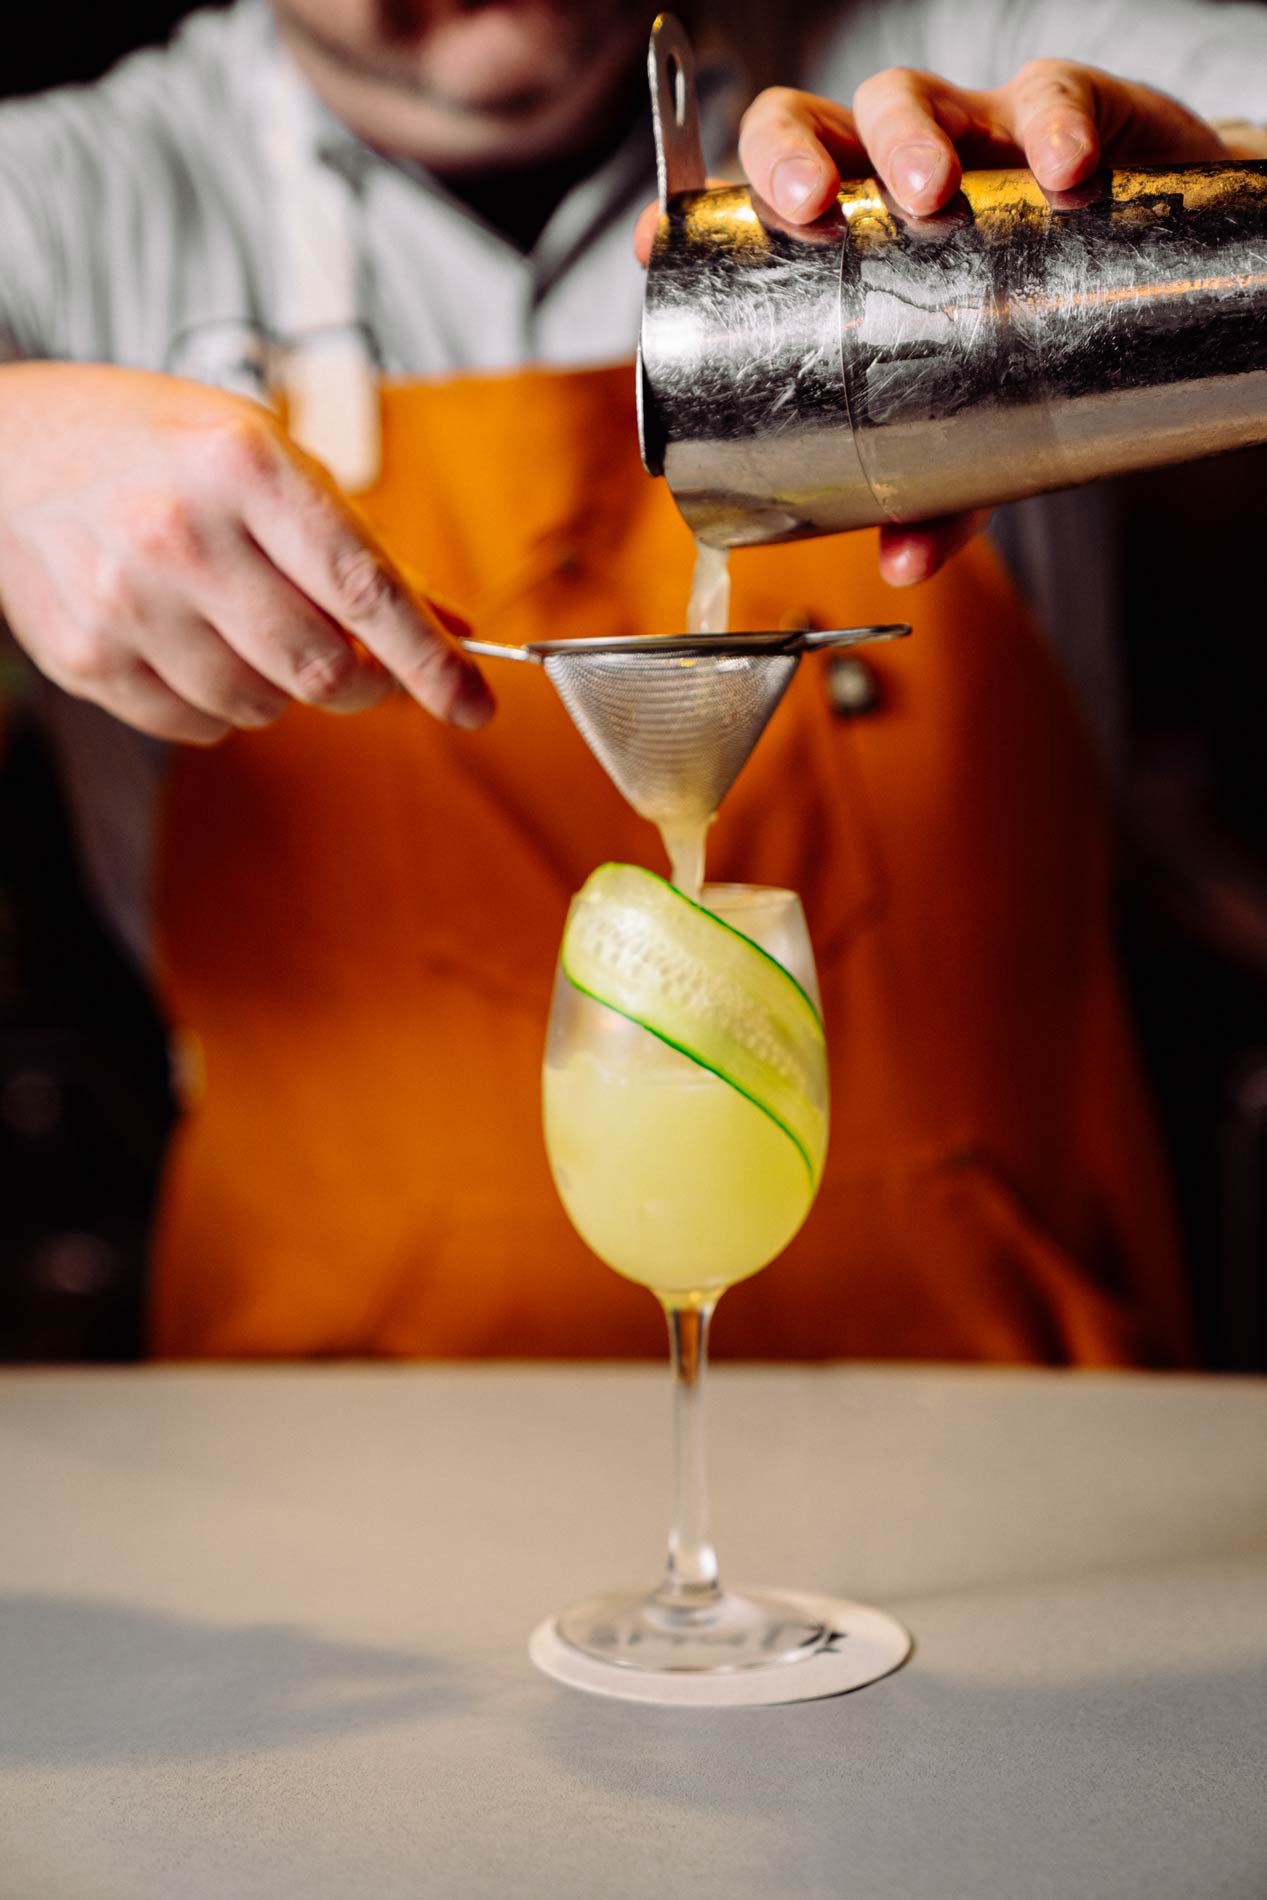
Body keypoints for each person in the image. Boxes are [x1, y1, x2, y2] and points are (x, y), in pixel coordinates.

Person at [0, 0, 1261, 1364]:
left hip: (1020, 1420)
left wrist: (1208, 212)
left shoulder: (958, 60)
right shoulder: (72, 199)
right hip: (319, 1440)